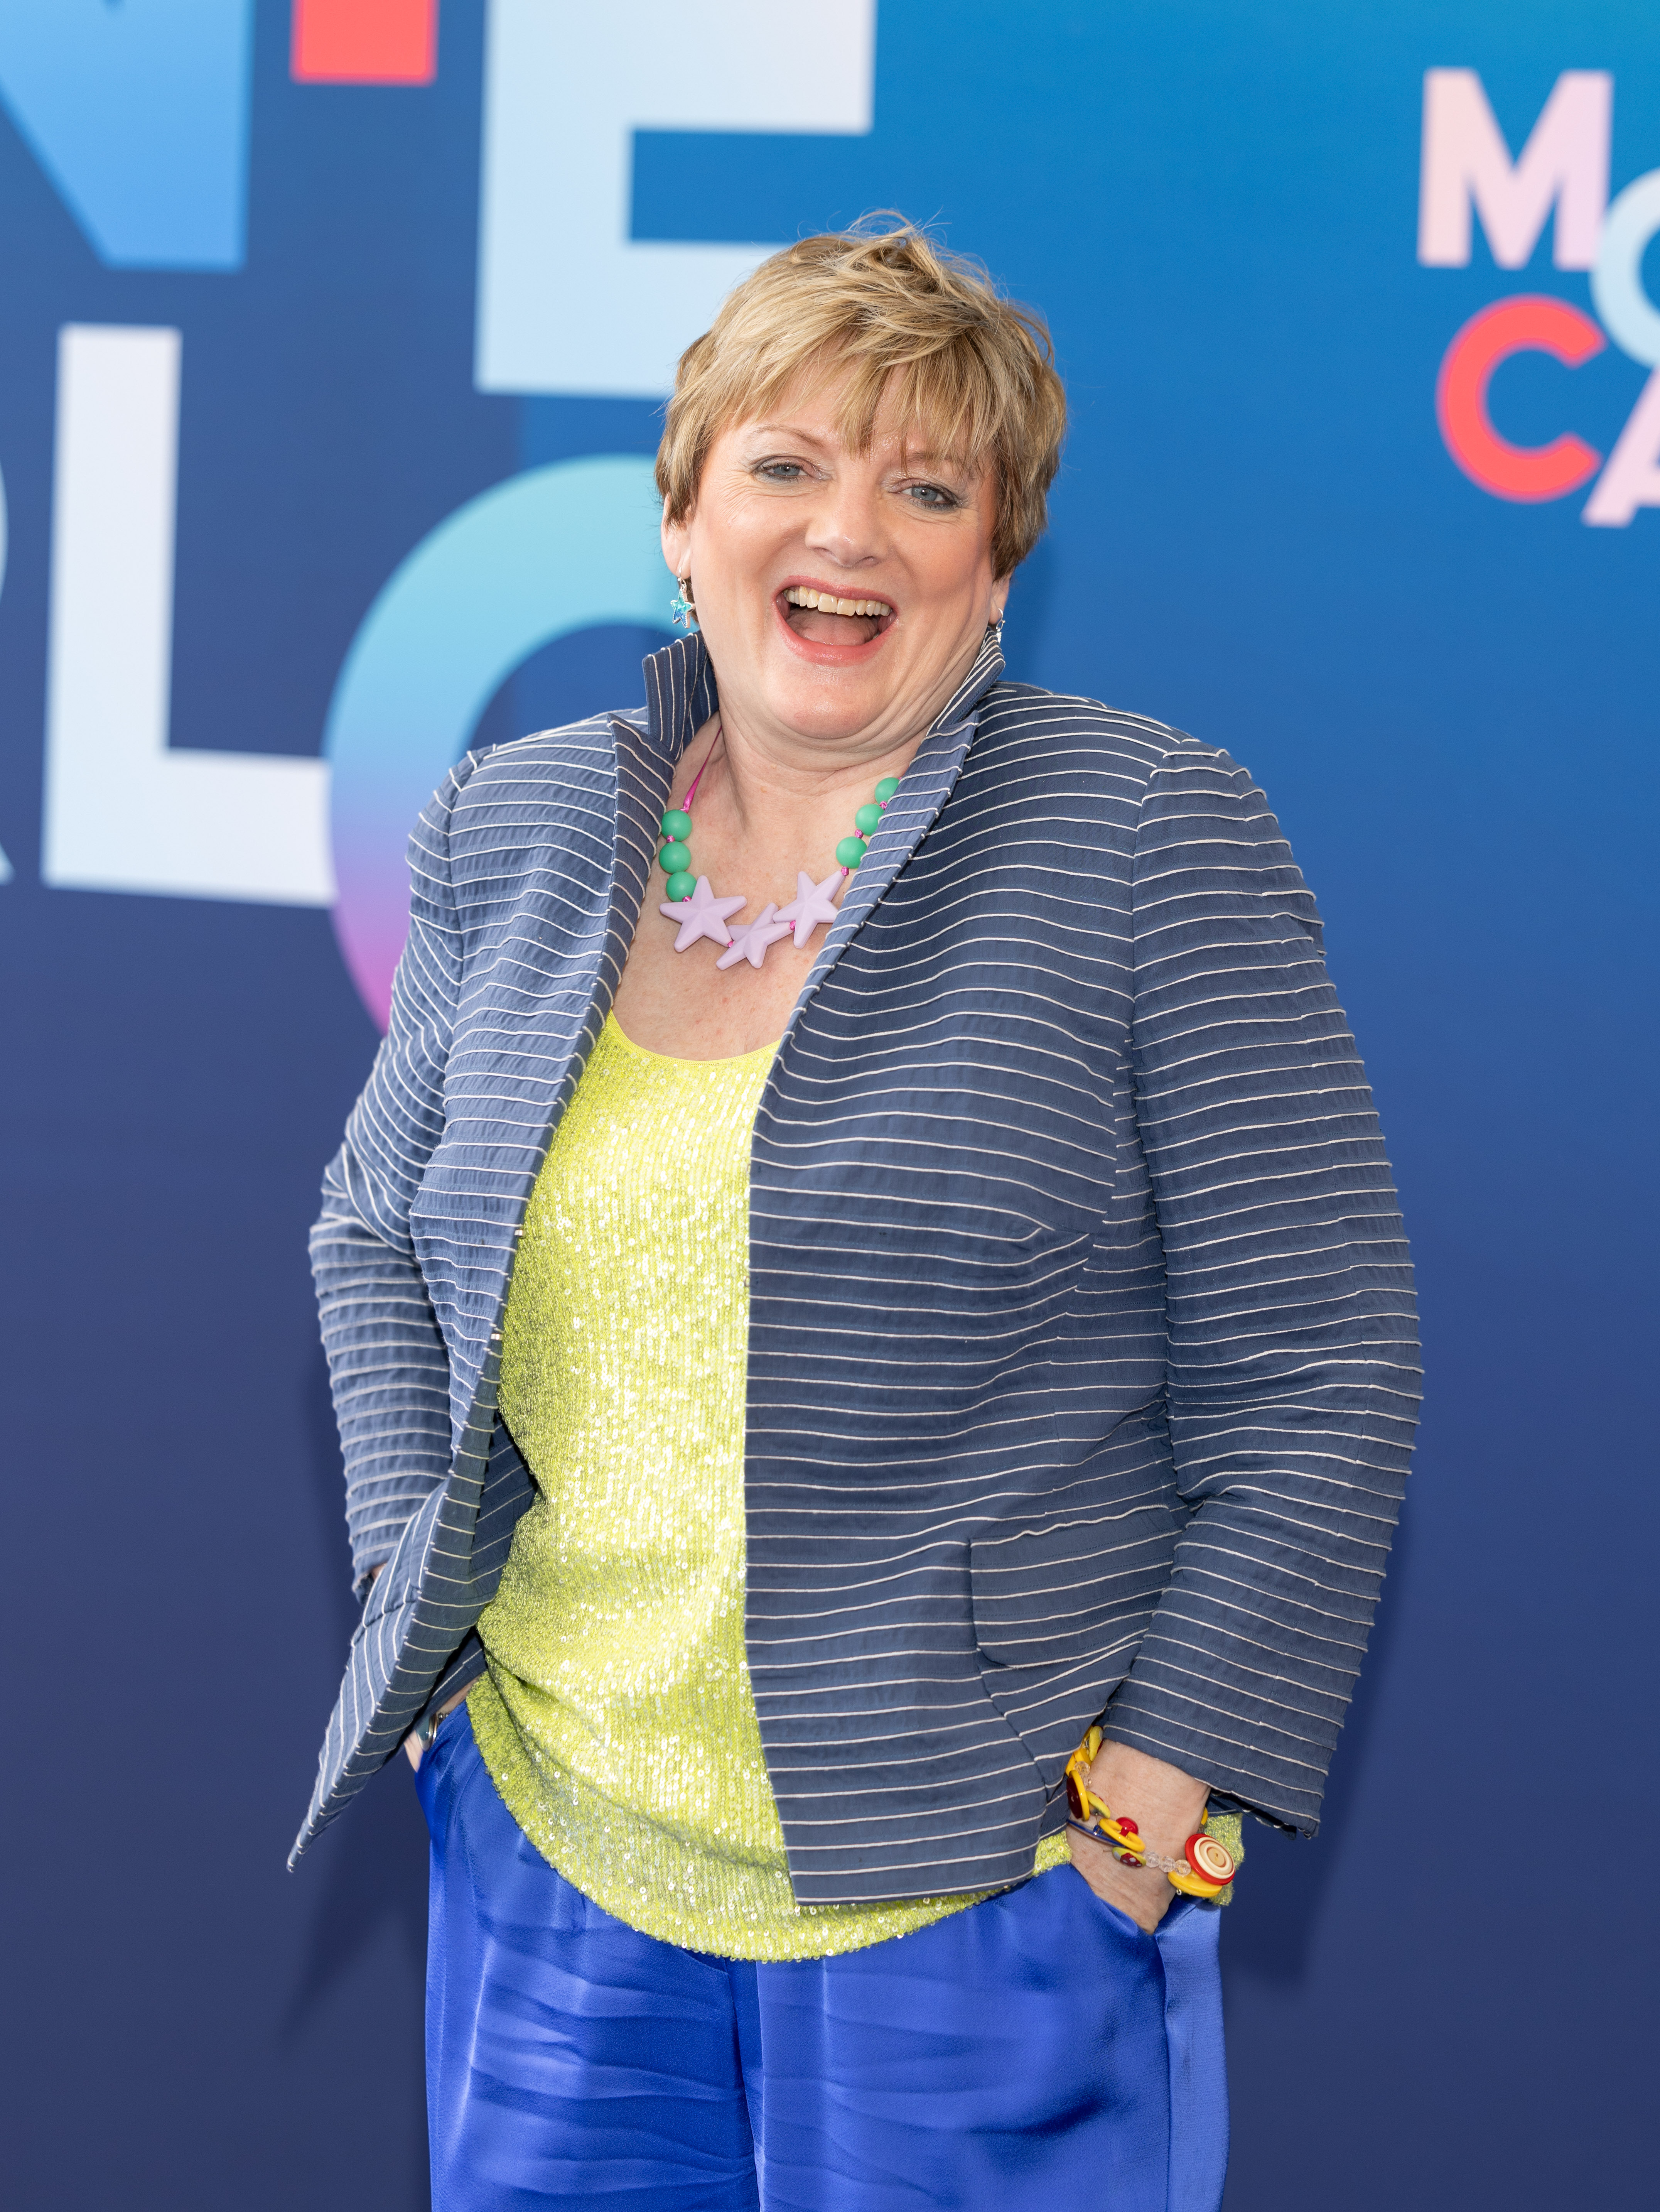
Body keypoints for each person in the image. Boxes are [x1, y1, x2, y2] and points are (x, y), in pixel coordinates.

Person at [295, 222, 1420, 2210]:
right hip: (555, 1864)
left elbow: (1320, 1364)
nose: (855, 533)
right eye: (789, 467)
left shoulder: (1151, 837)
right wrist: (428, 1623)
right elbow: (376, 1224)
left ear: (999, 567)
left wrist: (1156, 1788)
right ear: (684, 515)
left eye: (929, 488)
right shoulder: (517, 825)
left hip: (993, 1885)